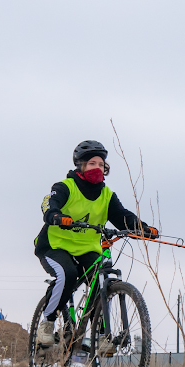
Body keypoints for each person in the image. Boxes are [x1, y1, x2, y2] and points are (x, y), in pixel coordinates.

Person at [34, 139, 158, 346]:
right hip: (54, 245)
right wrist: (55, 215)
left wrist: (141, 227)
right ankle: (47, 321)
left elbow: (121, 216)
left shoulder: (106, 195)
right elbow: (49, 203)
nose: (98, 168)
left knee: (101, 277)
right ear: (81, 165)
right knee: (68, 275)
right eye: (92, 164)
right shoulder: (65, 187)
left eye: (101, 164)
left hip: (87, 249)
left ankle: (101, 335)